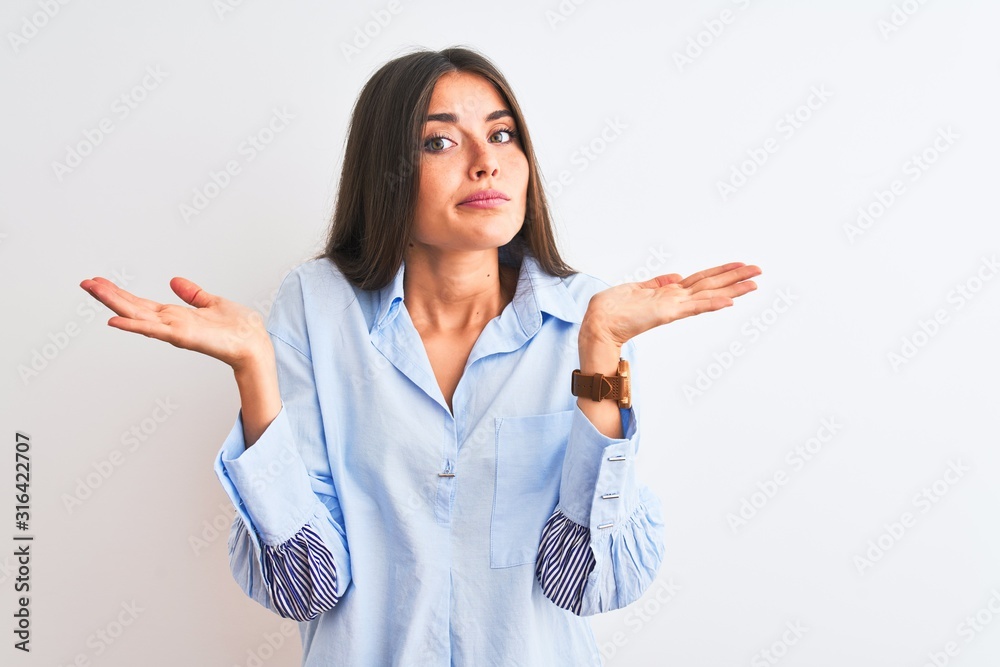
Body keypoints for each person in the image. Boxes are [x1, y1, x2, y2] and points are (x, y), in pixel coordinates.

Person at [79, 46, 761, 666]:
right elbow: (306, 585)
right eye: (440, 141)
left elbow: (587, 580)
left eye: (501, 134)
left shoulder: (591, 321)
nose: (485, 161)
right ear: (389, 172)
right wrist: (255, 370)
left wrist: (602, 356)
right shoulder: (315, 307)